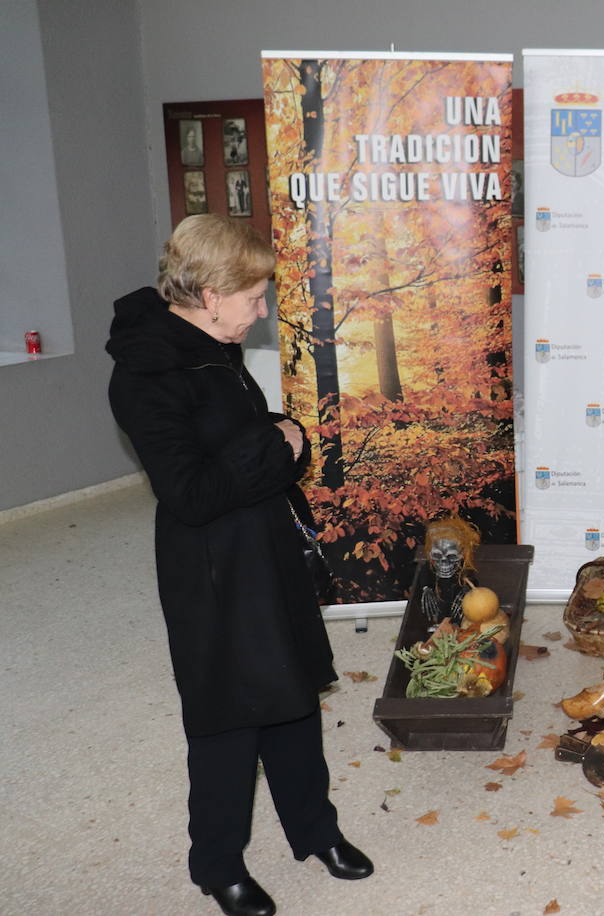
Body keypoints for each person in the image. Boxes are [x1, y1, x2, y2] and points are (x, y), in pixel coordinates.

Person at [106, 214, 372, 916]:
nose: (261, 313)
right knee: (228, 721)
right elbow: (190, 493)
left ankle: (315, 831)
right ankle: (216, 864)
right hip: (211, 569)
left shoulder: (208, 345)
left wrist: (289, 440)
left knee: (291, 701)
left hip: (263, 548)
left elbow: (250, 441)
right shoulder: (146, 372)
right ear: (210, 292)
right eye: (254, 299)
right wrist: (276, 446)